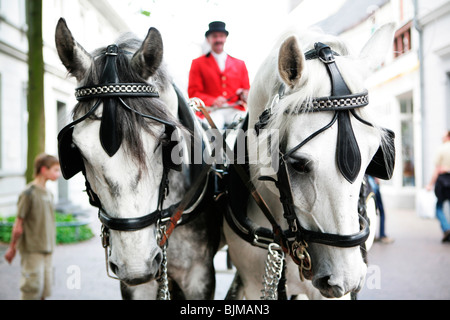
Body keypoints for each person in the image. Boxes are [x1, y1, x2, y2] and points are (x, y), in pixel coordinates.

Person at [4, 154, 61, 300]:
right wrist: (12, 248)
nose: (58, 174)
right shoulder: (28, 193)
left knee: (44, 291)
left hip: (47, 249)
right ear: (44, 170)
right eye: (55, 170)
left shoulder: (49, 193)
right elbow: (18, 225)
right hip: (32, 250)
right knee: (31, 289)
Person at [188, 21, 250, 129]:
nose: (218, 40)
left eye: (221, 36)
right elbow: (194, 92)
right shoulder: (197, 63)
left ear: (225, 38)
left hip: (234, 109)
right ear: (208, 39)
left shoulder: (240, 64)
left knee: (249, 127)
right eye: (215, 36)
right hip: (212, 110)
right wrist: (213, 101)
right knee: (212, 129)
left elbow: (247, 89)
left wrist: (244, 94)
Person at [426, 130, 450, 242]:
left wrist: (430, 184)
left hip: (442, 181)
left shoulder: (441, 149)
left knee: (438, 208)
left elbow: (436, 169)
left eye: (443, 136)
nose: (442, 137)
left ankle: (446, 228)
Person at [368, 175, 394, 244]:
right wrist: (376, 177)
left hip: (369, 186)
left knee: (372, 212)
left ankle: (372, 235)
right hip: (374, 186)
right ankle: (382, 235)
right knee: (381, 212)